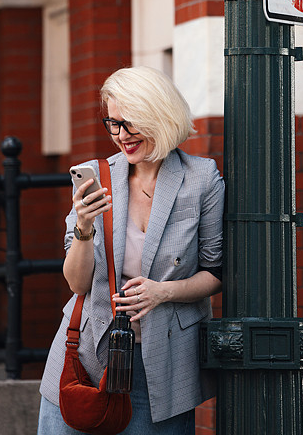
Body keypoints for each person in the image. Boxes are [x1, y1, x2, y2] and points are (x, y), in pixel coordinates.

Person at [37, 65, 224, 435]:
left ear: (159, 115)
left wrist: (162, 292)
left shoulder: (201, 179)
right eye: (113, 123)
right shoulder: (98, 176)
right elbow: (77, 283)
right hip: (87, 357)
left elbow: (215, 272)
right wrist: (85, 228)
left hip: (163, 361)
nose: (121, 136)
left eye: (130, 123)